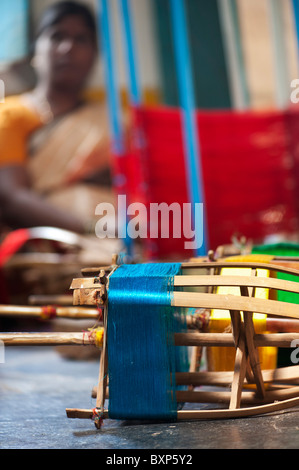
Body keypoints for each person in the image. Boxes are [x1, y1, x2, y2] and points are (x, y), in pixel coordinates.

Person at [0, 1, 115, 237]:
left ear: (95, 53)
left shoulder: (112, 121)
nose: (67, 48)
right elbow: (11, 198)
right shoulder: (9, 115)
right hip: (41, 249)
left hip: (116, 237)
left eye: (81, 39)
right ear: (35, 50)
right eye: (56, 36)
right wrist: (91, 228)